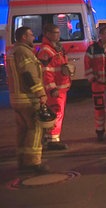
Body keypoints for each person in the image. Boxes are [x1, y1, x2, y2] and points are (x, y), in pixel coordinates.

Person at [6, 26, 50, 174]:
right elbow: (29, 75)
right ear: (24, 37)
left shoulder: (13, 51)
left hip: (16, 98)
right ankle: (33, 163)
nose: (33, 37)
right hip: (28, 99)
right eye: (31, 35)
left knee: (22, 130)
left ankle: (22, 160)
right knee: (35, 129)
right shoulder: (24, 52)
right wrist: (40, 93)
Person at [36, 23, 72, 151]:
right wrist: (52, 89)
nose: (58, 35)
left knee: (57, 112)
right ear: (47, 34)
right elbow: (46, 72)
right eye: (55, 33)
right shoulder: (46, 50)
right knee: (56, 113)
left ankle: (49, 137)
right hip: (56, 89)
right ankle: (53, 140)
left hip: (61, 87)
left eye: (58, 32)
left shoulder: (56, 47)